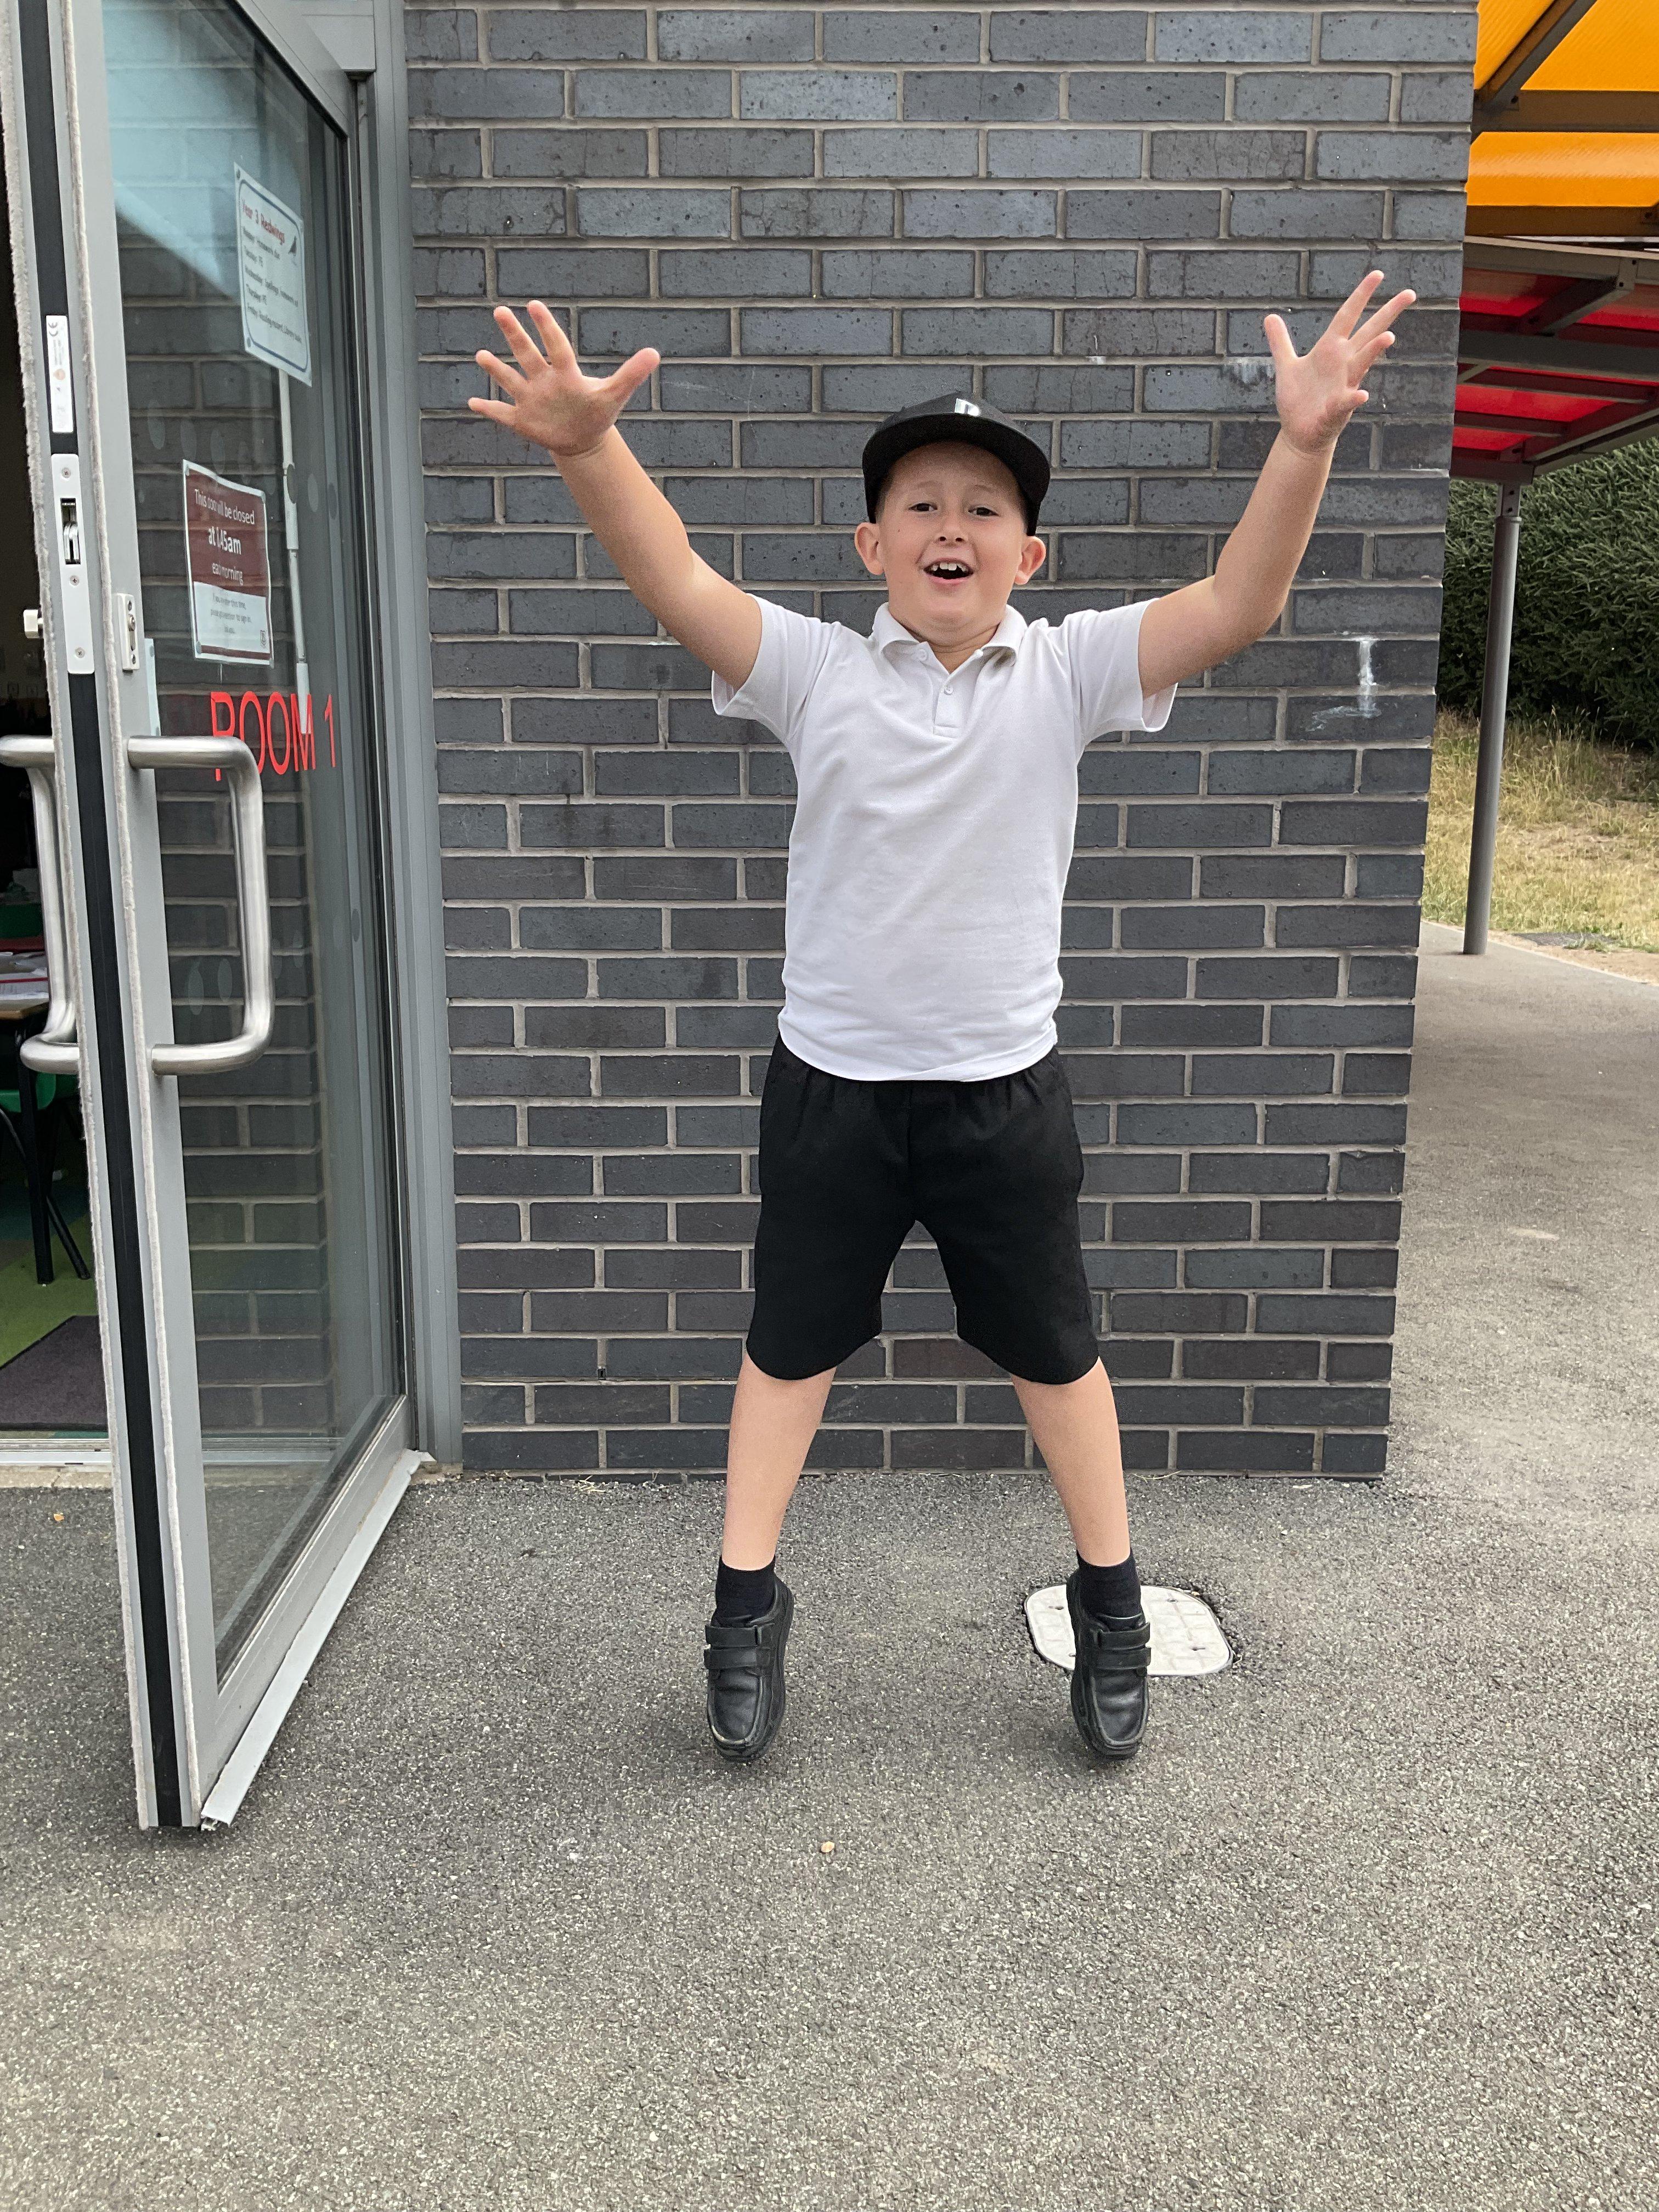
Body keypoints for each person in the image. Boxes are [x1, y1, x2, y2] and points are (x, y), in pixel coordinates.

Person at [470, 270, 1415, 1768]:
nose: (950, 526)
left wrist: (1302, 443)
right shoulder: (814, 673)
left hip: (1002, 1097)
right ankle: (743, 1607)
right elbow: (679, 582)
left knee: (1057, 1357)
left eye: (983, 507)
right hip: (833, 1093)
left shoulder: (1073, 669)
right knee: (788, 1352)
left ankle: (1113, 1604)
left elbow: (1240, 606)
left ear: (1028, 554)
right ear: (873, 545)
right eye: (920, 504)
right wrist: (591, 448)